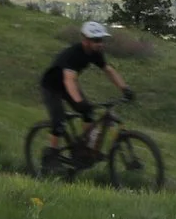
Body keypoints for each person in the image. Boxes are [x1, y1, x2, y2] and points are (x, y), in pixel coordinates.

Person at [40, 20, 131, 157]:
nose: (99, 43)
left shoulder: (95, 53)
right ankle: (50, 156)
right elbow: (69, 79)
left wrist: (125, 88)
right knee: (58, 123)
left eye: (101, 40)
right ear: (85, 40)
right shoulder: (73, 54)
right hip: (52, 87)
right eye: (95, 40)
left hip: (67, 85)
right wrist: (78, 102)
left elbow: (109, 70)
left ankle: (84, 149)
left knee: (88, 114)